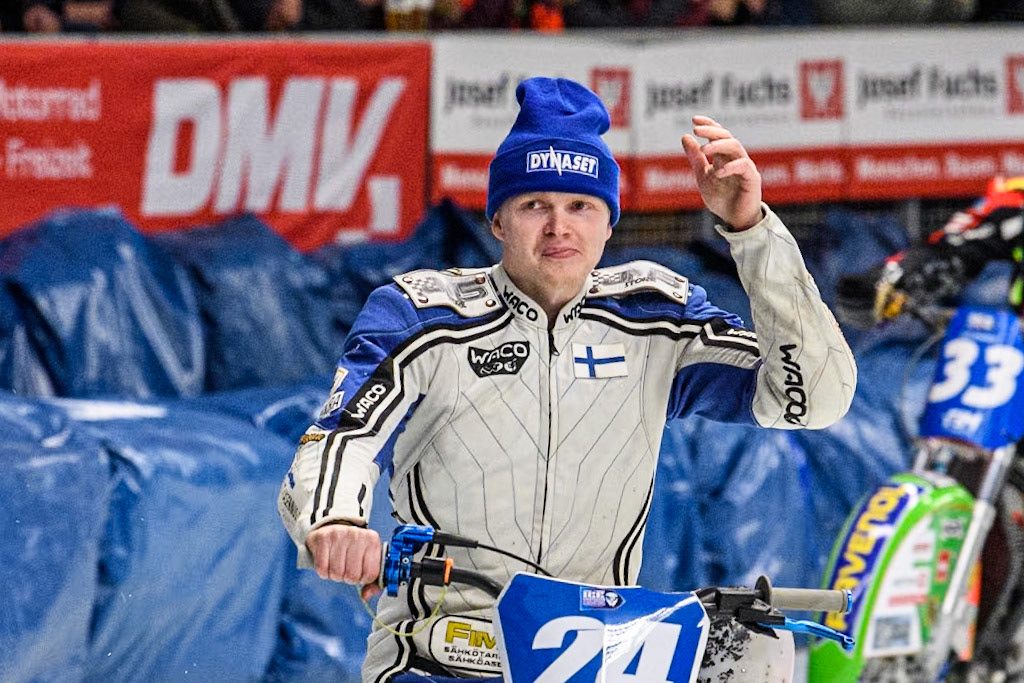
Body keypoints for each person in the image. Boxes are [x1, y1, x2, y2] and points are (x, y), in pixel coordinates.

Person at [278, 76, 857, 682]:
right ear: (498, 221)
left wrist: (752, 230)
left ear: (609, 224)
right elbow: (343, 436)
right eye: (535, 205)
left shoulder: (656, 315)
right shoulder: (421, 313)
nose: (559, 227)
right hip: (437, 655)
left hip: (599, 657)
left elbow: (811, 399)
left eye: (580, 206)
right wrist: (336, 520)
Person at [837, 176, 1024, 681]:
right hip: (1011, 372)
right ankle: (979, 655)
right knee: (971, 472)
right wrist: (897, 277)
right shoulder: (1019, 197)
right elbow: (956, 242)